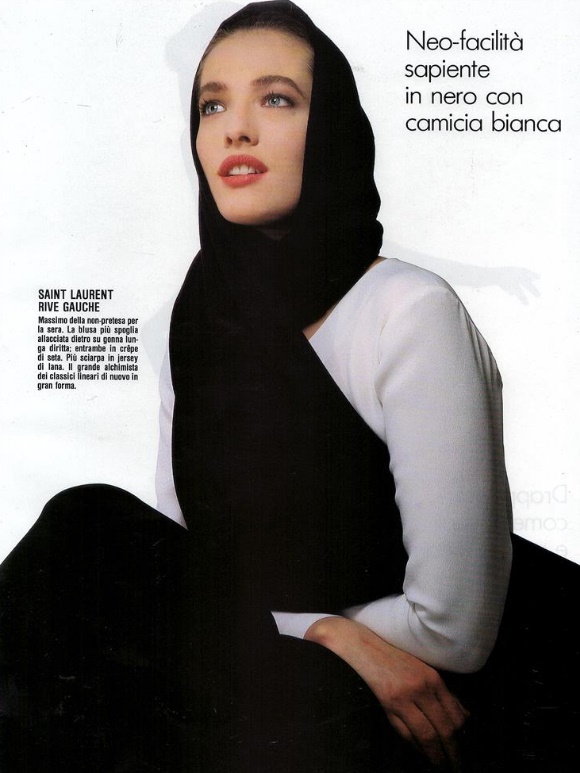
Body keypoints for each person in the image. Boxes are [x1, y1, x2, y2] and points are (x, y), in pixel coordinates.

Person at [0, 2, 578, 772]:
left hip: (428, 704)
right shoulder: (198, 314)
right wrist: (325, 630)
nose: (234, 130)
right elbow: (184, 561)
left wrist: (317, 633)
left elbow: (454, 631)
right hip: (292, 674)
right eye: (212, 106)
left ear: (332, 128)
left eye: (276, 99)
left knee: (87, 527)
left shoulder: (409, 310)